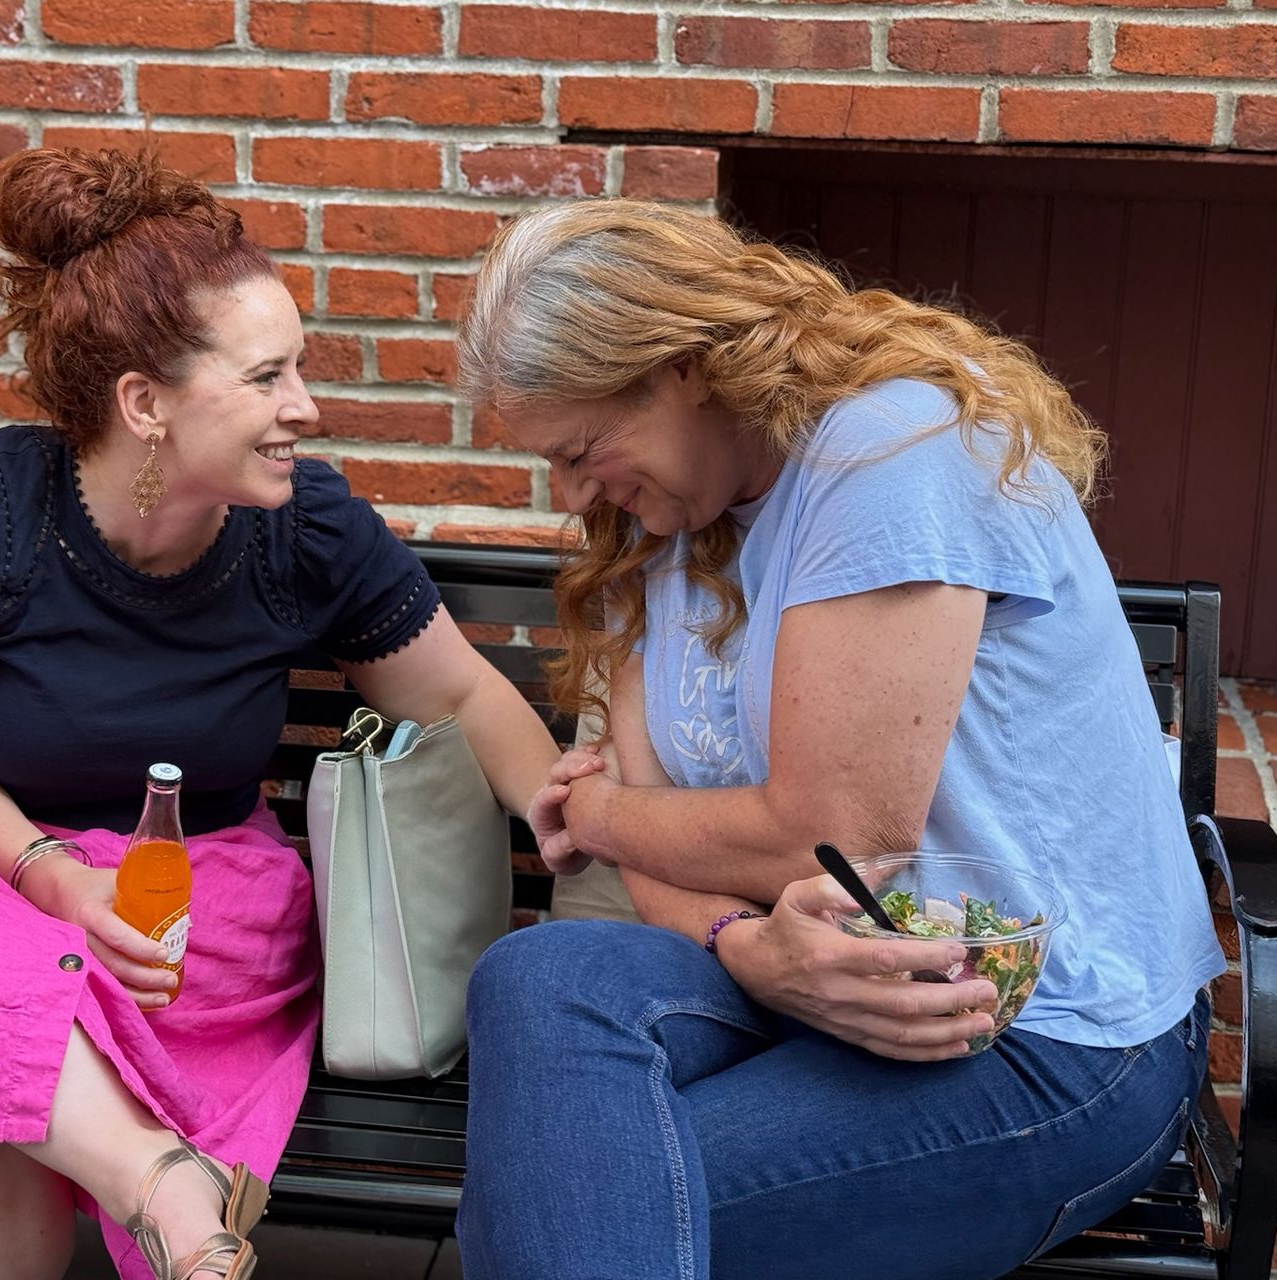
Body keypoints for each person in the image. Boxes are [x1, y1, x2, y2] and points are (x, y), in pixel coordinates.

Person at [0, 147, 570, 1280]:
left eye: (295, 370)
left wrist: (571, 816)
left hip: (180, 922)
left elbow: (457, 691)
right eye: (265, 378)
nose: (302, 407)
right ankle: (159, 1178)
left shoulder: (303, 530)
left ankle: (154, 1174)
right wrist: (56, 874)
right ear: (144, 403)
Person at [457, 200, 1226, 1280]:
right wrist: (744, 946)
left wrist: (591, 810)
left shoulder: (891, 451)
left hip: (1037, 1027)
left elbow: (834, 835)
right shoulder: (659, 528)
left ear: (680, 362)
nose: (575, 493)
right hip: (807, 986)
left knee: (573, 1198)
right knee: (538, 977)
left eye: (582, 450)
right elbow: (657, 862)